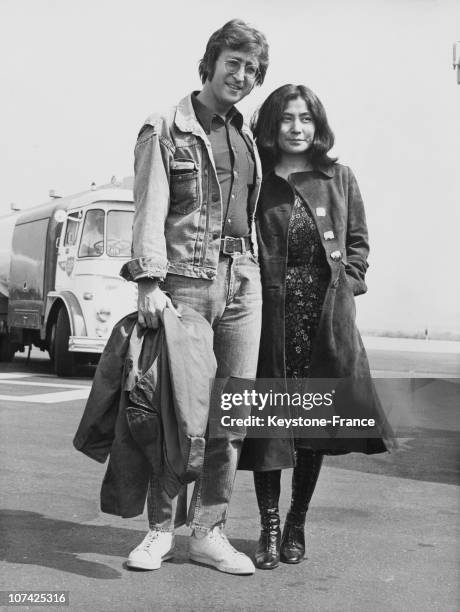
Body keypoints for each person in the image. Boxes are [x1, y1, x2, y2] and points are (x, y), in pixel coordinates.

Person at [120, 19, 269, 575]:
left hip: (243, 283)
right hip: (185, 281)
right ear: (210, 61)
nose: (242, 75)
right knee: (177, 415)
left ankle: (208, 531)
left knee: (232, 415)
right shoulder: (165, 126)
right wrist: (149, 281)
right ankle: (160, 530)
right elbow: (149, 207)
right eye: (234, 62)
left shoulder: (246, 132)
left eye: (252, 69)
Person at [238, 84, 393, 570]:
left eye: (305, 118)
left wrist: (348, 284)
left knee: (312, 427)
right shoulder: (256, 178)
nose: (297, 128)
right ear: (272, 124)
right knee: (268, 424)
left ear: (317, 124)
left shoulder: (339, 176)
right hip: (269, 317)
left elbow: (359, 243)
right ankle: (266, 526)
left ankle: (296, 522)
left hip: (323, 320)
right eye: (287, 118)